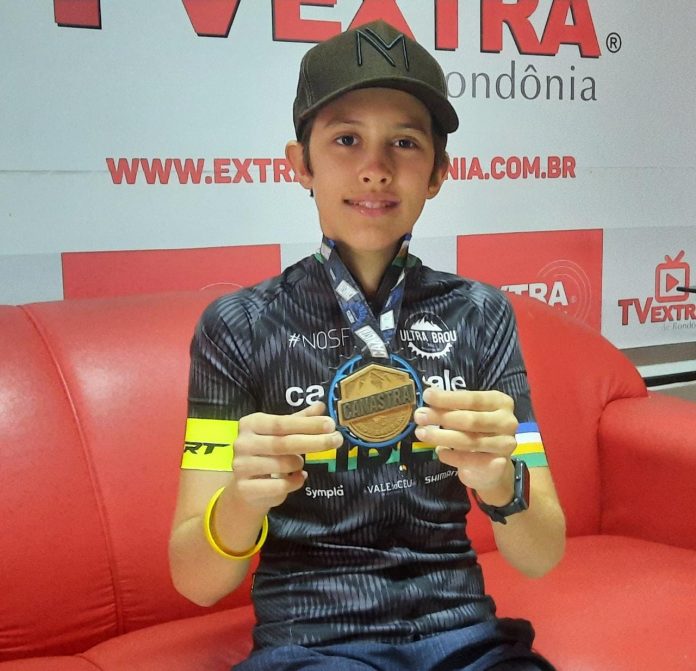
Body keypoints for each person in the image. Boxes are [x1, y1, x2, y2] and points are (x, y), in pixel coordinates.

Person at [169, 19, 566, 671]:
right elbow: (196, 580)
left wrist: (503, 481)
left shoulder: (481, 314)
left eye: (404, 143)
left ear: (437, 172)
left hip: (462, 637)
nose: (375, 170)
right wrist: (243, 498)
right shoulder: (238, 325)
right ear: (300, 163)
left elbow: (541, 554)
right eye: (346, 139)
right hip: (312, 644)